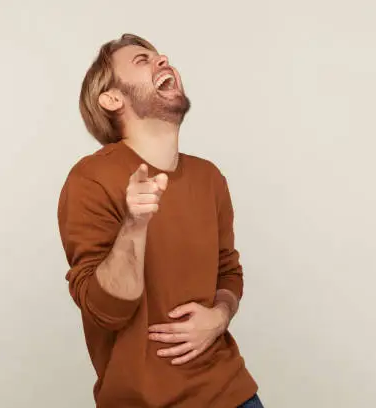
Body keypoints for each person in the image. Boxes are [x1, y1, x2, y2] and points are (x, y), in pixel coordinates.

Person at [57, 33, 263, 408]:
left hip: (233, 394)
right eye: (142, 60)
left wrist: (220, 315)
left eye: (159, 55)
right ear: (112, 98)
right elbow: (104, 311)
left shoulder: (209, 177)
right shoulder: (89, 180)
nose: (162, 60)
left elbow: (228, 271)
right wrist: (135, 224)